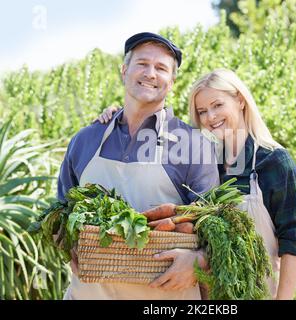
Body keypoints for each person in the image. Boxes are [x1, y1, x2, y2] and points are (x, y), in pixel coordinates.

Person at [98, 68, 296, 300]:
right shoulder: (207, 161)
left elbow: (292, 240)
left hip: (255, 292)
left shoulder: (273, 161)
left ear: (239, 100)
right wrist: (122, 117)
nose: (210, 117)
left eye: (217, 105)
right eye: (202, 111)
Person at [57, 32, 219, 300]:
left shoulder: (193, 145)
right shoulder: (85, 140)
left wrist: (197, 260)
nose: (151, 74)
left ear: (172, 81)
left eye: (161, 68)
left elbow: (214, 230)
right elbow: (61, 212)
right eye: (142, 64)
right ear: (124, 71)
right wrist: (67, 245)